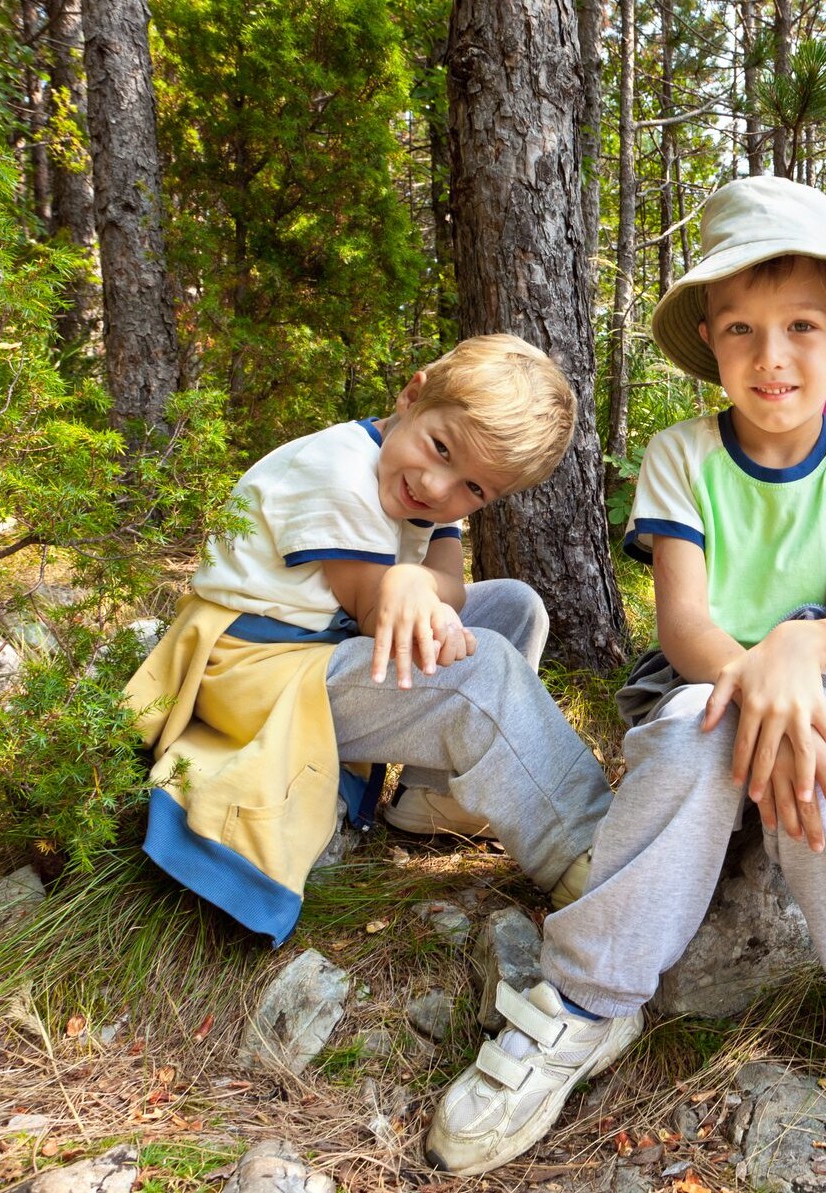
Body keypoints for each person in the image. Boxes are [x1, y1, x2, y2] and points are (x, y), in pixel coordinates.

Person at [424, 177, 826, 1176]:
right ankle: (588, 996)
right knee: (692, 737)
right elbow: (683, 621)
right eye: (743, 331)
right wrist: (757, 674)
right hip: (701, 675)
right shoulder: (683, 456)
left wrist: (799, 655)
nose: (772, 357)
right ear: (709, 338)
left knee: (821, 755)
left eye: (802, 326)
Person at [129, 335, 608, 945]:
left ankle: (435, 801)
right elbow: (380, 616)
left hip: (324, 647)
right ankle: (589, 858)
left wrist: (415, 578)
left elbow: (451, 591)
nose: (438, 489)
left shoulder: (426, 487)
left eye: (474, 490)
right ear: (413, 394)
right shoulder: (337, 472)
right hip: (258, 672)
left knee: (514, 605)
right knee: (483, 671)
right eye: (440, 448)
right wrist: (411, 585)